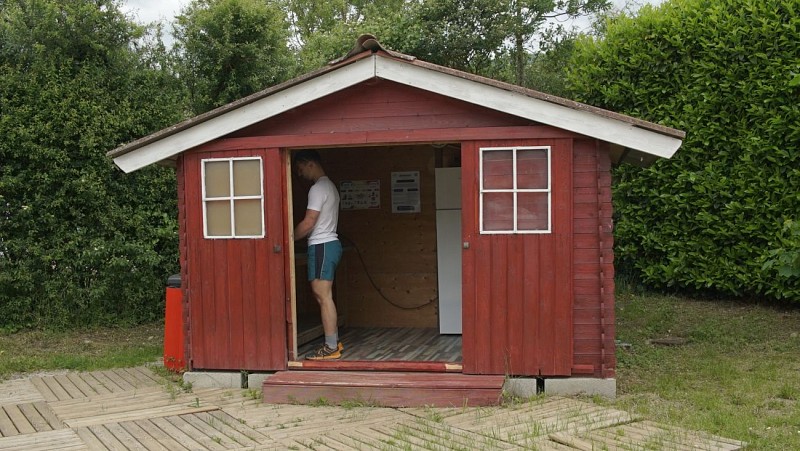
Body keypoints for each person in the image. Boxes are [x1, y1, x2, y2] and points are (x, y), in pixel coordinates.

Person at [293, 150, 344, 360]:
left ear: (310, 163)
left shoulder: (318, 188)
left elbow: (309, 222)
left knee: (324, 296)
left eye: (300, 168)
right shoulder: (330, 186)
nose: (300, 173)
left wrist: (287, 239)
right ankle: (333, 343)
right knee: (323, 295)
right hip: (327, 244)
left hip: (322, 244)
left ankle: (331, 347)